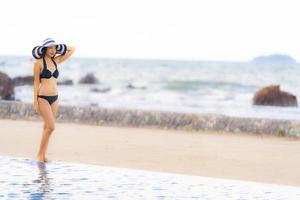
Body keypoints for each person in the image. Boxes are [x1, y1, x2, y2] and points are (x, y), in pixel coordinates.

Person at [32, 38, 75, 162]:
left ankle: (42, 155)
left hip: (55, 98)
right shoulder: (38, 63)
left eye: (54, 48)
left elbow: (72, 49)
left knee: (47, 127)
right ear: (44, 49)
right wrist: (35, 101)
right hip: (43, 98)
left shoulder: (57, 60)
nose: (52, 50)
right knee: (51, 127)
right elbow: (36, 83)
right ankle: (40, 155)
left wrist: (61, 47)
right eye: (50, 48)